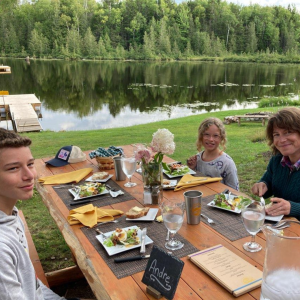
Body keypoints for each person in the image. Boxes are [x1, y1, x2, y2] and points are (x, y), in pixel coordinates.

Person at [0, 128, 84, 300]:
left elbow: (33, 285)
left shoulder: (10, 216)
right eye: (13, 168)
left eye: (30, 164)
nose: (30, 175)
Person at [251, 107, 300, 220]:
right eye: (276, 134)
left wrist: (292, 208)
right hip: (280, 227)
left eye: (288, 132)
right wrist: (262, 185)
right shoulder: (277, 160)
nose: (281, 140)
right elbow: (268, 181)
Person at [187, 117, 239, 190]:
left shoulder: (227, 163)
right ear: (201, 136)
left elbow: (234, 191)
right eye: (207, 134)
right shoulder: (197, 158)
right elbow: (192, 183)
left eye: (215, 136)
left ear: (221, 138)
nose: (211, 139)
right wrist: (192, 169)